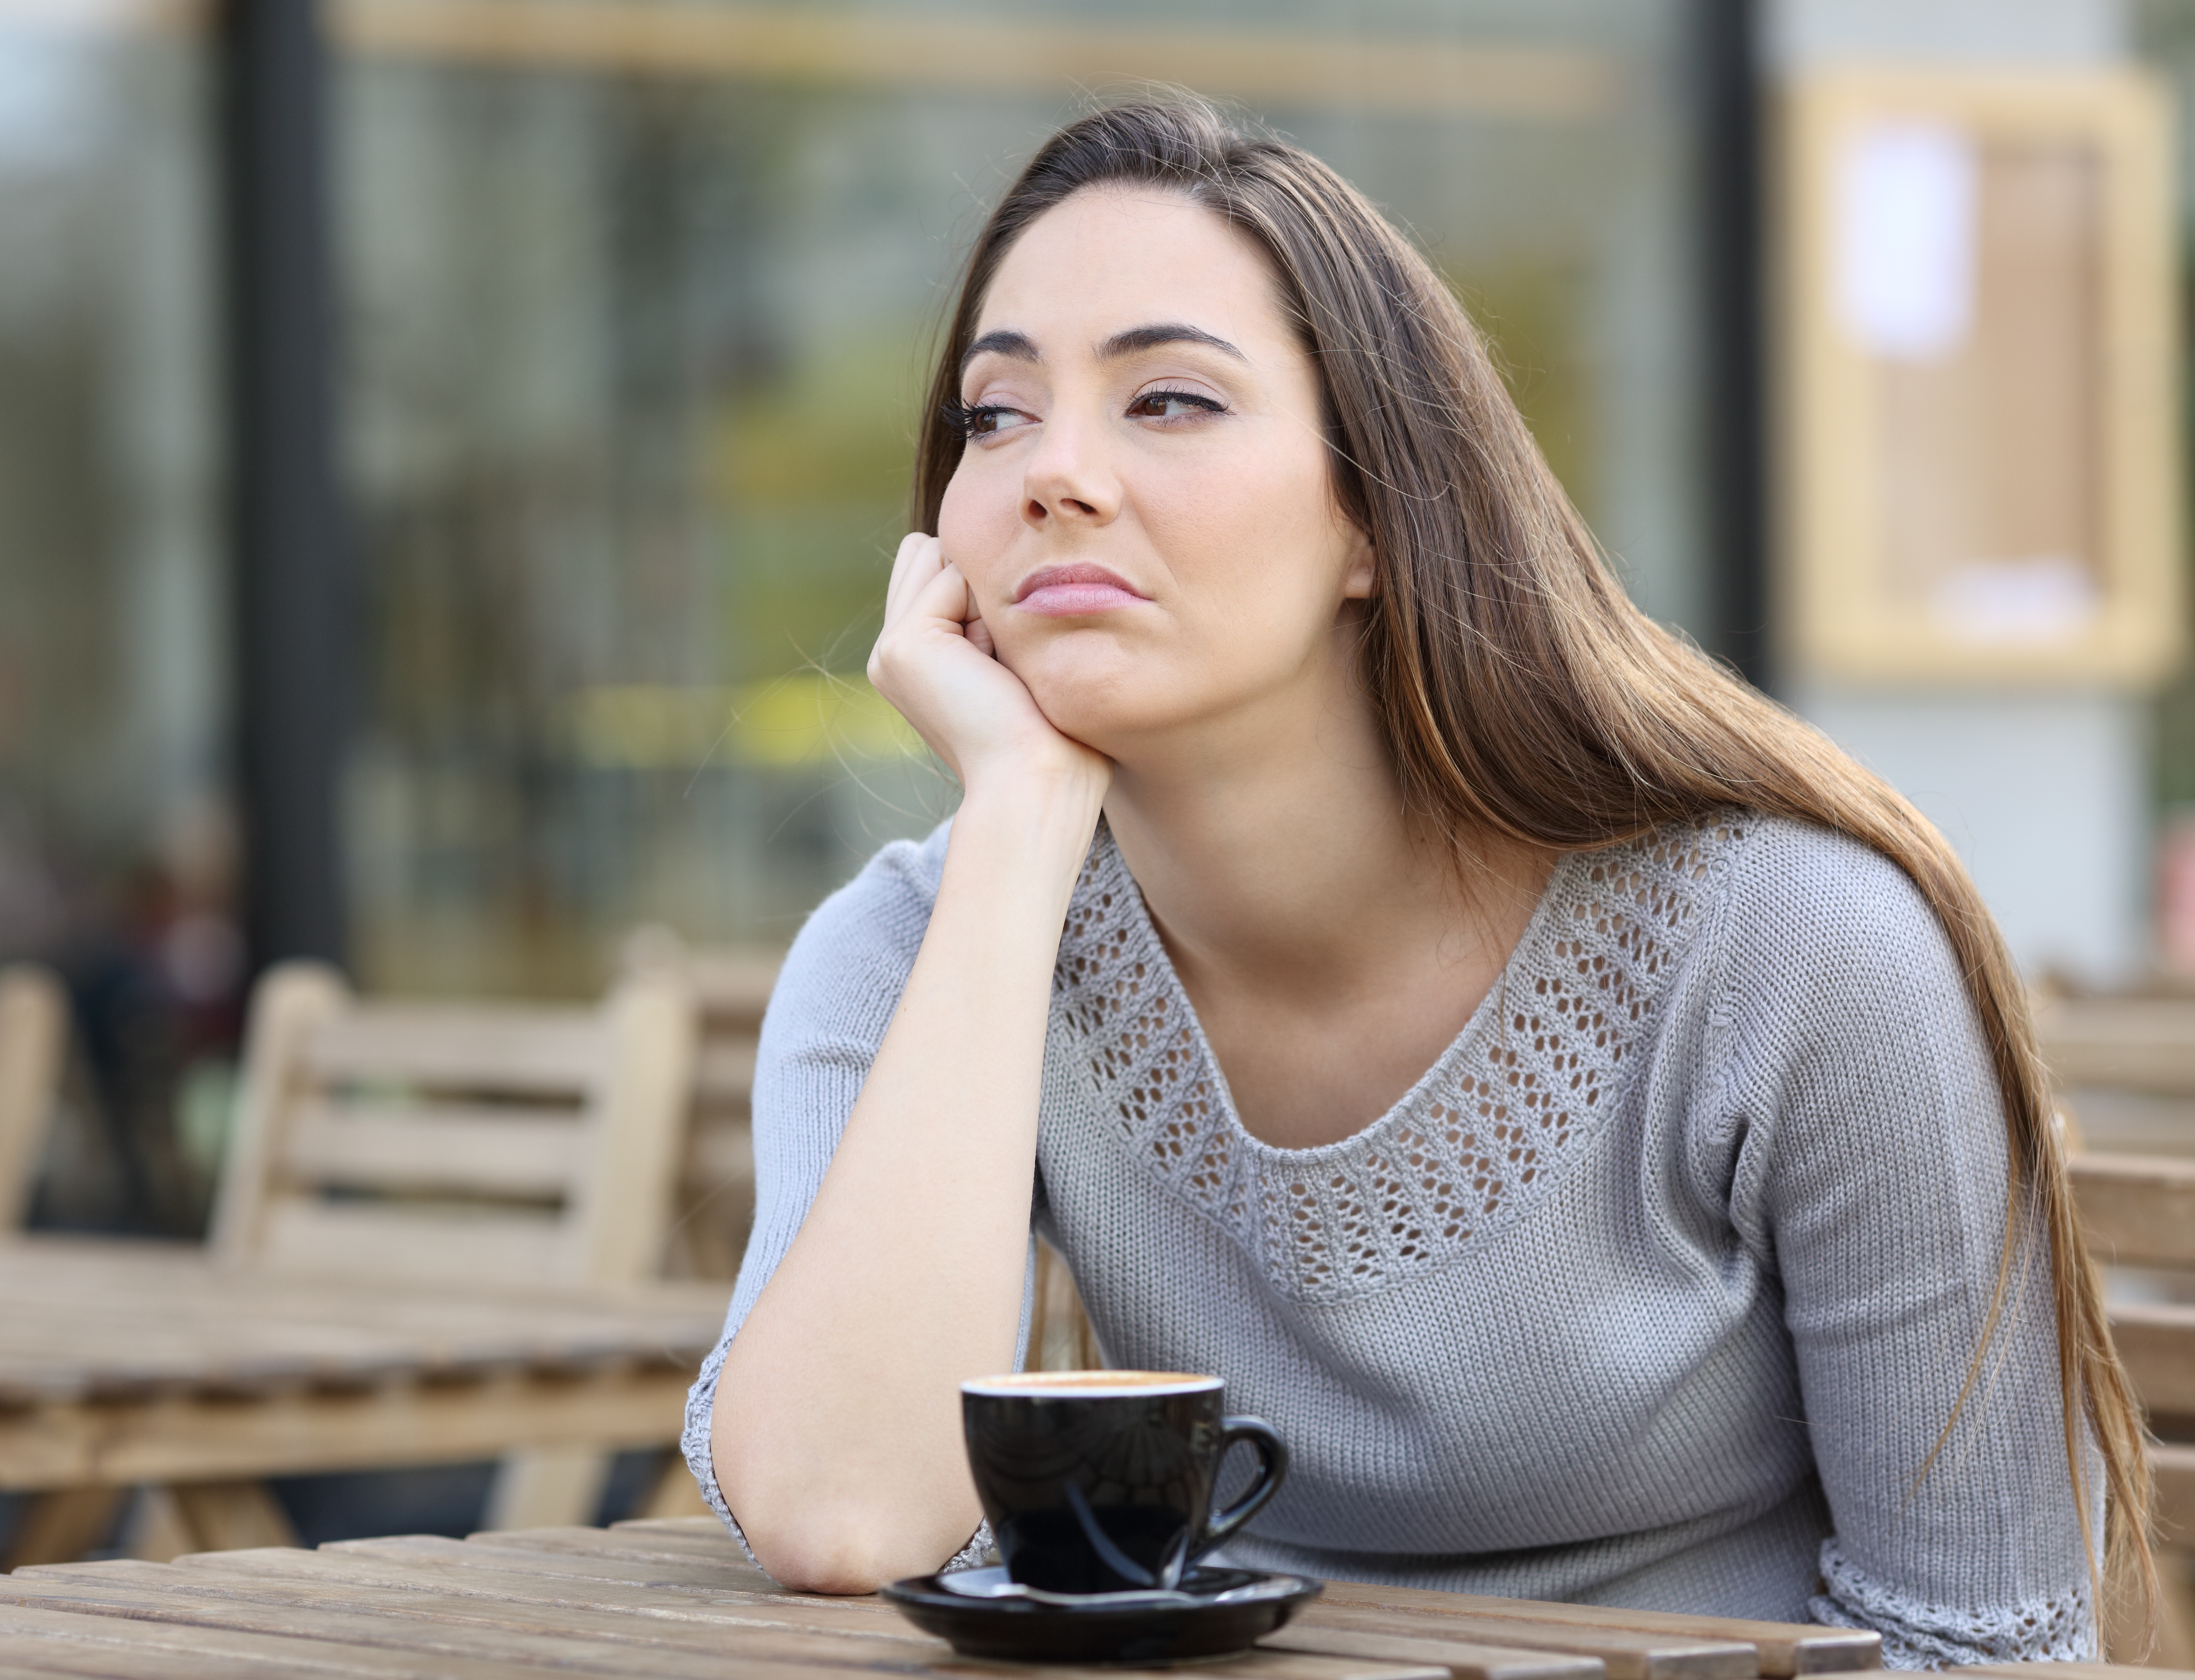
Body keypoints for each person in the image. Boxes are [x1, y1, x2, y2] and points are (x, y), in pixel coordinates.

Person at [681, 97, 2149, 1666]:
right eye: (995, 415)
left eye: (1170, 401)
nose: (1055, 475)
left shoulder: (1797, 955)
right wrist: (1022, 824)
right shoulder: (928, 943)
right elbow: (841, 1514)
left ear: (1372, 512)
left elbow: (1989, 1647)